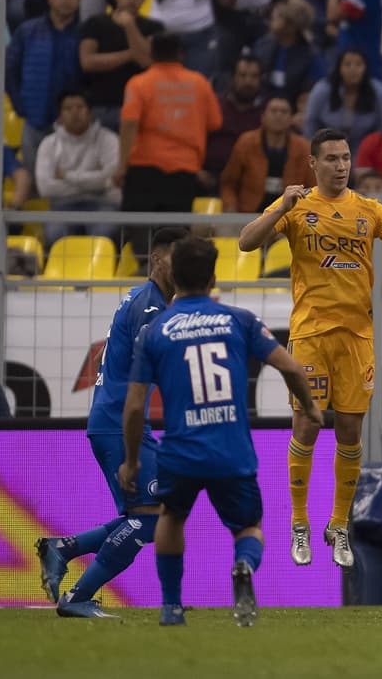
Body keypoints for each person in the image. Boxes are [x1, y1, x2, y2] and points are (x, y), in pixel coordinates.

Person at [120, 235, 323, 627]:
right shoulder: (238, 320)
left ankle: (171, 607)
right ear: (213, 278)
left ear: (174, 278)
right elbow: (293, 368)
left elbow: (133, 407)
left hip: (180, 451)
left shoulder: (156, 330)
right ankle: (244, 565)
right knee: (248, 527)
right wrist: (311, 408)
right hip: (232, 450)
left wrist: (131, 462)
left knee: (171, 517)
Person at [238, 128, 382, 568]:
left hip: (357, 339)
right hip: (309, 337)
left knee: (349, 434)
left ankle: (339, 525)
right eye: (331, 159)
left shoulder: (368, 209)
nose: (341, 165)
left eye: (345, 157)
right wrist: (281, 209)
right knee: (307, 427)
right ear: (312, 163)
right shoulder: (298, 206)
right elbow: (246, 241)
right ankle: (299, 523)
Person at [35, 227, 188, 619]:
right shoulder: (151, 307)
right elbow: (146, 371)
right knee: (149, 519)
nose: (184, 266)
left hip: (116, 419)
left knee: (143, 516)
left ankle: (64, 549)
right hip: (120, 421)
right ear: (157, 259)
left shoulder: (144, 298)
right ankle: (77, 597)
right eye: (177, 257)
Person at [116, 33, 222, 258]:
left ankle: (146, 267)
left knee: (140, 226)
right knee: (176, 229)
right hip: (183, 170)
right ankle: (172, 273)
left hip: (143, 167)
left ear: (152, 53)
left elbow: (129, 123)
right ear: (180, 54)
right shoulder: (199, 83)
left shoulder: (139, 83)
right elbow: (215, 121)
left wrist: (121, 166)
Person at [8, 0, 82, 171]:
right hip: (35, 117)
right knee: (34, 178)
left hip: (73, 122)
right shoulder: (27, 31)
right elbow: (10, 71)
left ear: (79, 0)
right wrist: (20, 104)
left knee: (68, 180)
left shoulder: (85, 33)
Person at [78, 0, 163, 132]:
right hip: (101, 106)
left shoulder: (154, 27)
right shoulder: (95, 23)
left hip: (140, 107)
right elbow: (88, 62)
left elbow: (146, 61)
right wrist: (132, 53)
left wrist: (130, 25)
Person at [34, 91, 120, 244]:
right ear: (60, 115)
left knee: (105, 232)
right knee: (55, 233)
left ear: (90, 112)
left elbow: (112, 180)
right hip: (61, 206)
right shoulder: (48, 144)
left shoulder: (109, 139)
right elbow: (46, 188)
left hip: (102, 204)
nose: (75, 113)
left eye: (80, 107)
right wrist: (97, 181)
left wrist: (67, 176)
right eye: (68, 108)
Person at [220, 94, 316, 213]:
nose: (278, 115)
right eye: (273, 111)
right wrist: (230, 208)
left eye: (284, 111)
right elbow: (229, 183)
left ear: (291, 118)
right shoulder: (246, 143)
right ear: (263, 116)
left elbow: (313, 188)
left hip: (290, 215)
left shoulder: (303, 148)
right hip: (249, 213)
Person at [303, 49, 382, 151]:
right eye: (347, 64)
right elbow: (310, 123)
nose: (353, 69)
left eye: (358, 64)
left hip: (365, 148)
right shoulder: (322, 90)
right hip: (327, 148)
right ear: (339, 68)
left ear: (366, 68)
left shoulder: (378, 91)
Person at [206, 56, 267, 186]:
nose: (248, 81)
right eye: (243, 75)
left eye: (254, 76)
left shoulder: (267, 112)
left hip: (251, 183)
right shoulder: (214, 105)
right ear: (233, 77)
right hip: (211, 178)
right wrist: (198, 171)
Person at [254, 0, 323, 105]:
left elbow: (312, 91)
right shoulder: (263, 45)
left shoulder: (310, 55)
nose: (272, 19)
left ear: (291, 26)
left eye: (278, 17)